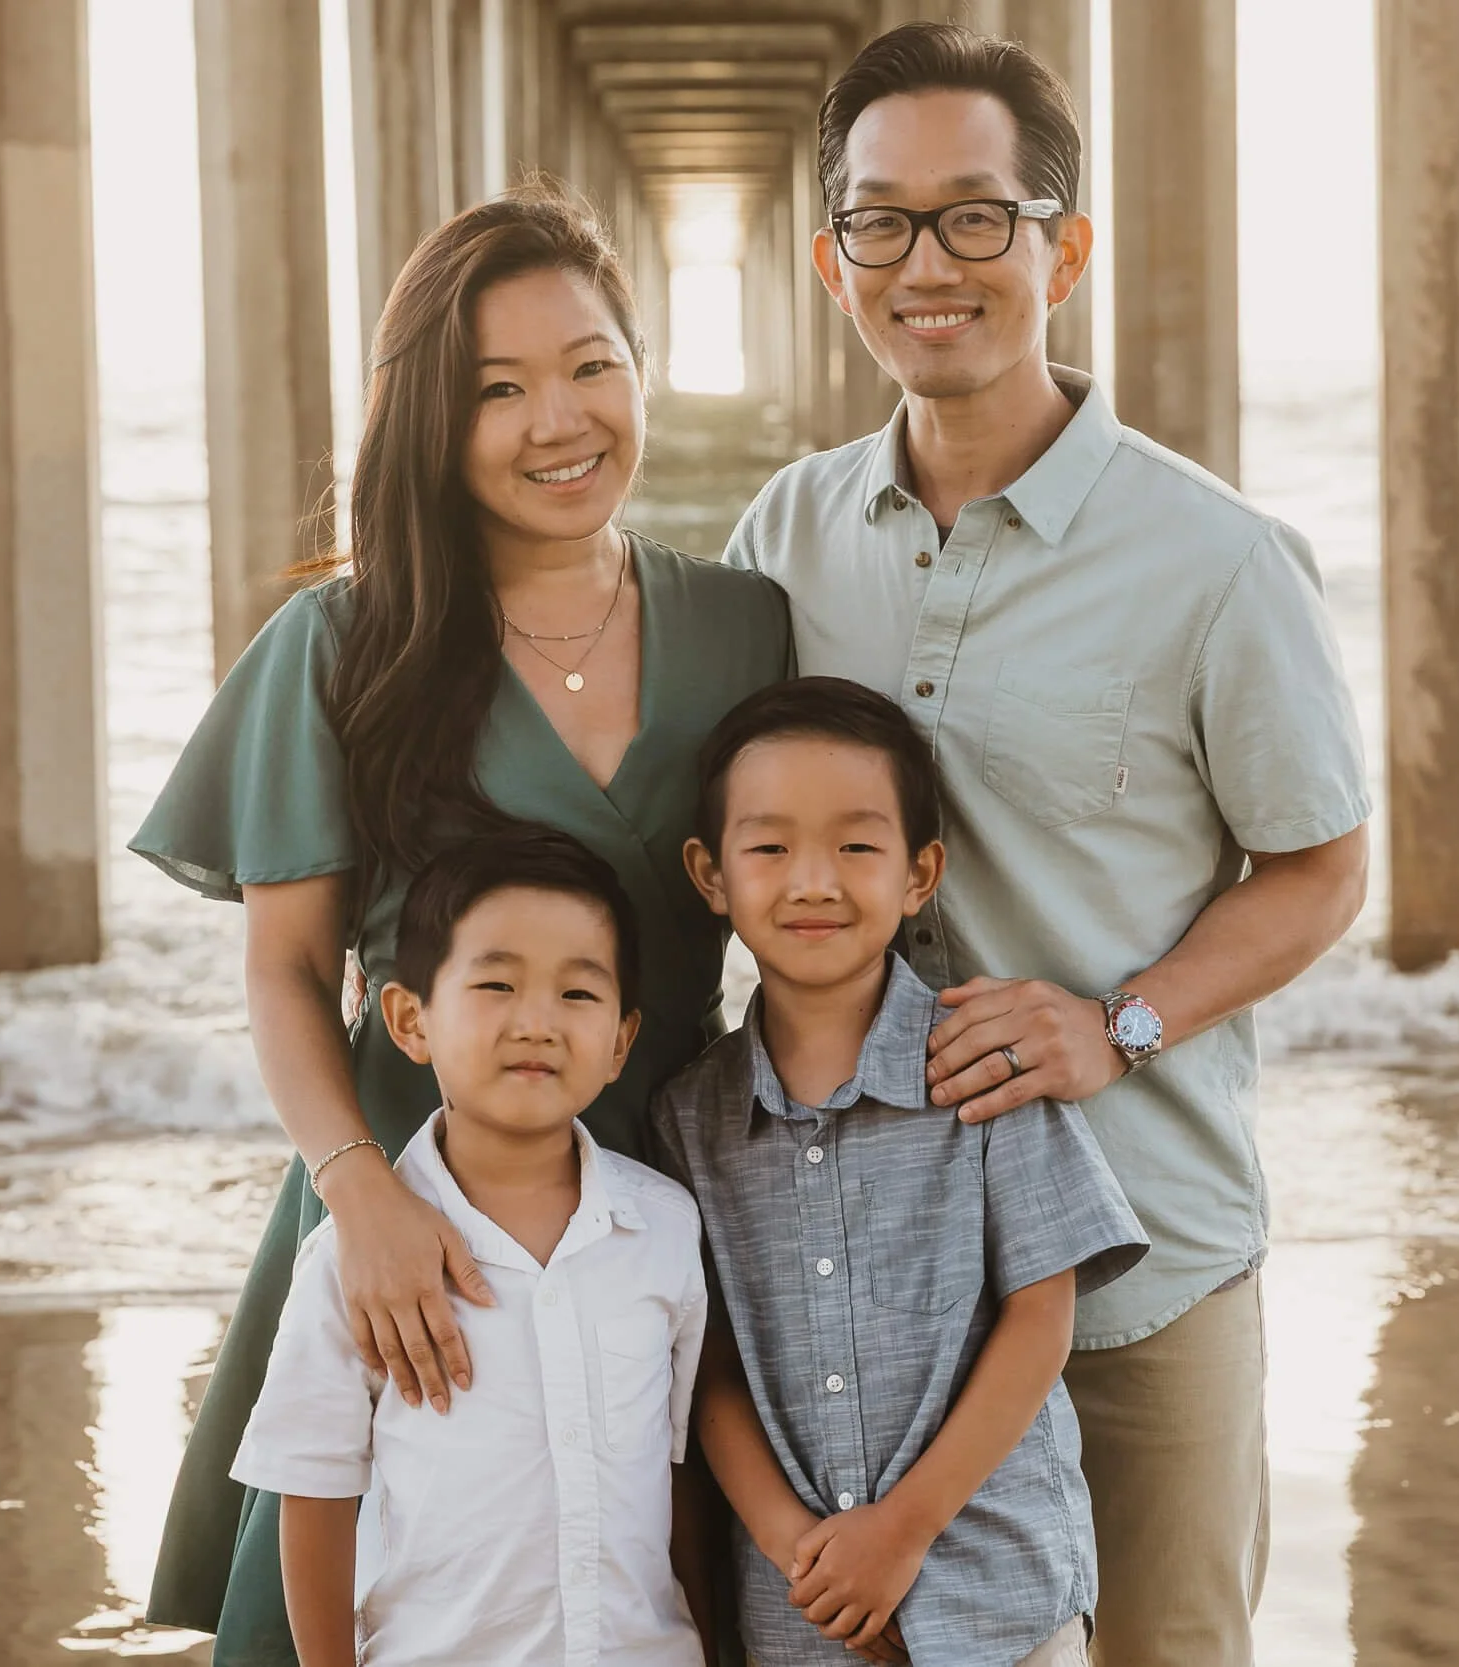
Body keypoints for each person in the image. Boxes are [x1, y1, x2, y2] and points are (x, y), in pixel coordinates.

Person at [725, 25, 1373, 1667]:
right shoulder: (780, 538)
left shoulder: (1217, 560)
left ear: (1060, 248)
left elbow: (1319, 867)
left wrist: (1122, 1021)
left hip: (1143, 1255)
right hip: (861, 1268)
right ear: (832, 260)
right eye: (881, 221)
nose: (925, 262)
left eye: (973, 215)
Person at [132, 186, 791, 1659]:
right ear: (432, 419)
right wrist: (360, 1195)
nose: (559, 419)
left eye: (591, 365)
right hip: (412, 1193)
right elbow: (290, 971)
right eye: (499, 388)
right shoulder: (344, 644)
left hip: (670, 1185)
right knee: (386, 1587)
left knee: (649, 1584)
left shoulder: (747, 622)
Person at [652, 678, 1148, 1667]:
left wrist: (905, 1526)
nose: (813, 880)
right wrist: (808, 1555)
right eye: (769, 847)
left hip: (998, 1593)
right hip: (801, 1614)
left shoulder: (982, 1058)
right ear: (710, 874)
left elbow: (1040, 1315)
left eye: (856, 845)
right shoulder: (689, 1116)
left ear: (920, 872)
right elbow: (707, 1373)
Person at [233, 827, 709, 1667]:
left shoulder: (663, 1226)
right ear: (410, 1019)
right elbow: (312, 1491)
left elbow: (674, 1473)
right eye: (495, 983)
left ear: (622, 1042)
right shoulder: (357, 1258)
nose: (537, 1021)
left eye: (578, 995)